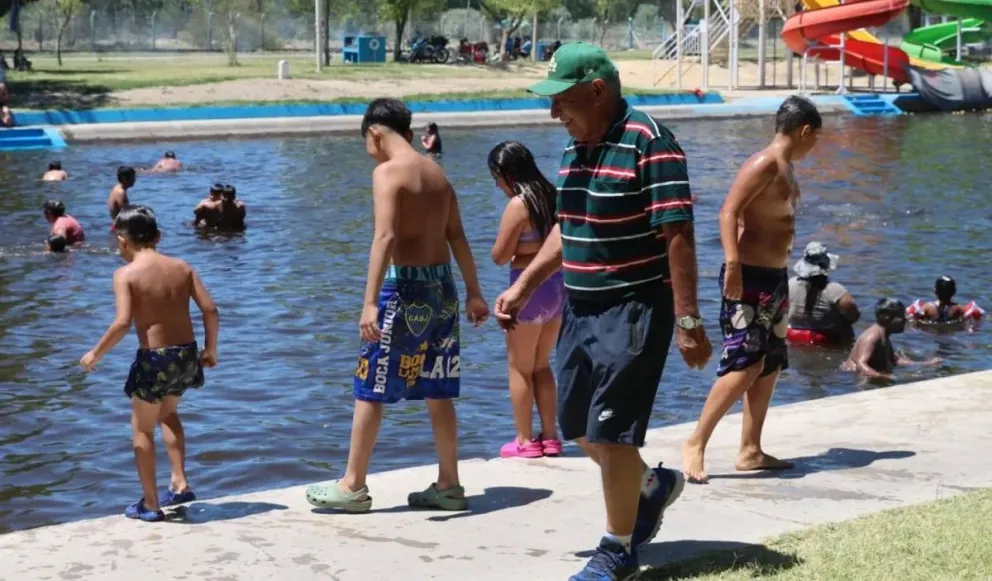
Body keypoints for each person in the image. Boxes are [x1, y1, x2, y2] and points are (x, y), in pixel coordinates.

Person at [494, 43, 711, 581]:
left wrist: (688, 321)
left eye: (561, 101)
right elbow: (568, 229)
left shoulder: (650, 141)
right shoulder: (574, 151)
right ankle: (649, 487)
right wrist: (523, 287)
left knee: (612, 433)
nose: (552, 113)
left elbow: (678, 234)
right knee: (579, 426)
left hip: (634, 306)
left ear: (597, 91)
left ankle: (618, 549)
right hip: (580, 308)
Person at [304, 98, 489, 513]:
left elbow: (384, 237)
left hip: (402, 291)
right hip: (442, 290)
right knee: (438, 389)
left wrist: (369, 303)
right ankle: (449, 484)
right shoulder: (437, 173)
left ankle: (352, 485)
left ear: (374, 134)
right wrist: (475, 292)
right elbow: (457, 235)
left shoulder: (387, 173)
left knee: (370, 386)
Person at [682, 95, 822, 485]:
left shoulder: (788, 169)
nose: (815, 147)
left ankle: (750, 450)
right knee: (745, 363)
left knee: (770, 362)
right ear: (805, 131)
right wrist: (732, 265)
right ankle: (695, 442)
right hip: (749, 278)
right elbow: (728, 211)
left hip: (775, 278)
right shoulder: (764, 163)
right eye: (816, 139)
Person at [79, 205, 219, 523]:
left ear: (122, 240)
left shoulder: (125, 274)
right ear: (157, 236)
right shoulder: (182, 267)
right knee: (168, 413)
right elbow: (210, 309)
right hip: (186, 355)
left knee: (142, 429)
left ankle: (151, 503)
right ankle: (180, 483)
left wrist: (95, 353)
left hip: (154, 360)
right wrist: (211, 349)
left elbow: (122, 322)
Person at [488, 141, 564, 459]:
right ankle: (550, 436)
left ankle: (523, 440)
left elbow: (500, 256)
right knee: (543, 365)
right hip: (558, 287)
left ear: (506, 174)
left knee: (519, 368)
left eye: (497, 178)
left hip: (527, 289)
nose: (497, 185)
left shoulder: (519, 205)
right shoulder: (552, 194)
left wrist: (518, 248)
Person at [842, 298, 941, 379]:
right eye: (901, 317)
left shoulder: (884, 335)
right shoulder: (872, 337)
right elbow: (861, 364)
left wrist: (924, 363)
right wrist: (884, 377)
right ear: (887, 318)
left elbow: (894, 360)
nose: (905, 320)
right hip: (853, 379)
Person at [786, 241, 860, 345]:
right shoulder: (835, 290)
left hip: (795, 339)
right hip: (828, 342)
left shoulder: (790, 284)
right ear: (826, 264)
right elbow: (854, 316)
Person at [906, 276, 984, 324]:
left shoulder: (927, 307)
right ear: (954, 292)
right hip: (951, 330)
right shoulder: (959, 309)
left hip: (932, 331)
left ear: (935, 290)